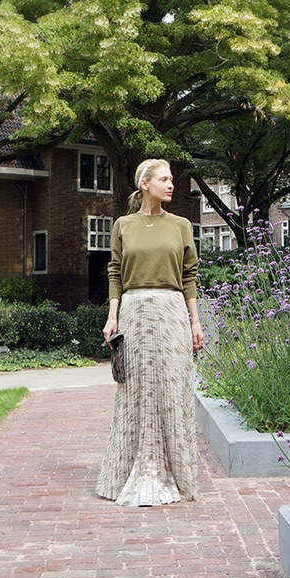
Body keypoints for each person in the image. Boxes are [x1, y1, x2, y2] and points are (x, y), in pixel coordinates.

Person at [96, 158, 204, 506]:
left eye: (171, 179)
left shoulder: (182, 225)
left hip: (172, 312)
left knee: (173, 385)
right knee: (136, 388)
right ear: (145, 184)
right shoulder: (123, 225)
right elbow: (115, 271)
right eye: (163, 179)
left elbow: (189, 276)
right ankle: (130, 469)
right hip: (134, 312)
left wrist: (195, 321)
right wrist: (112, 316)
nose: (171, 184)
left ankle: (177, 474)